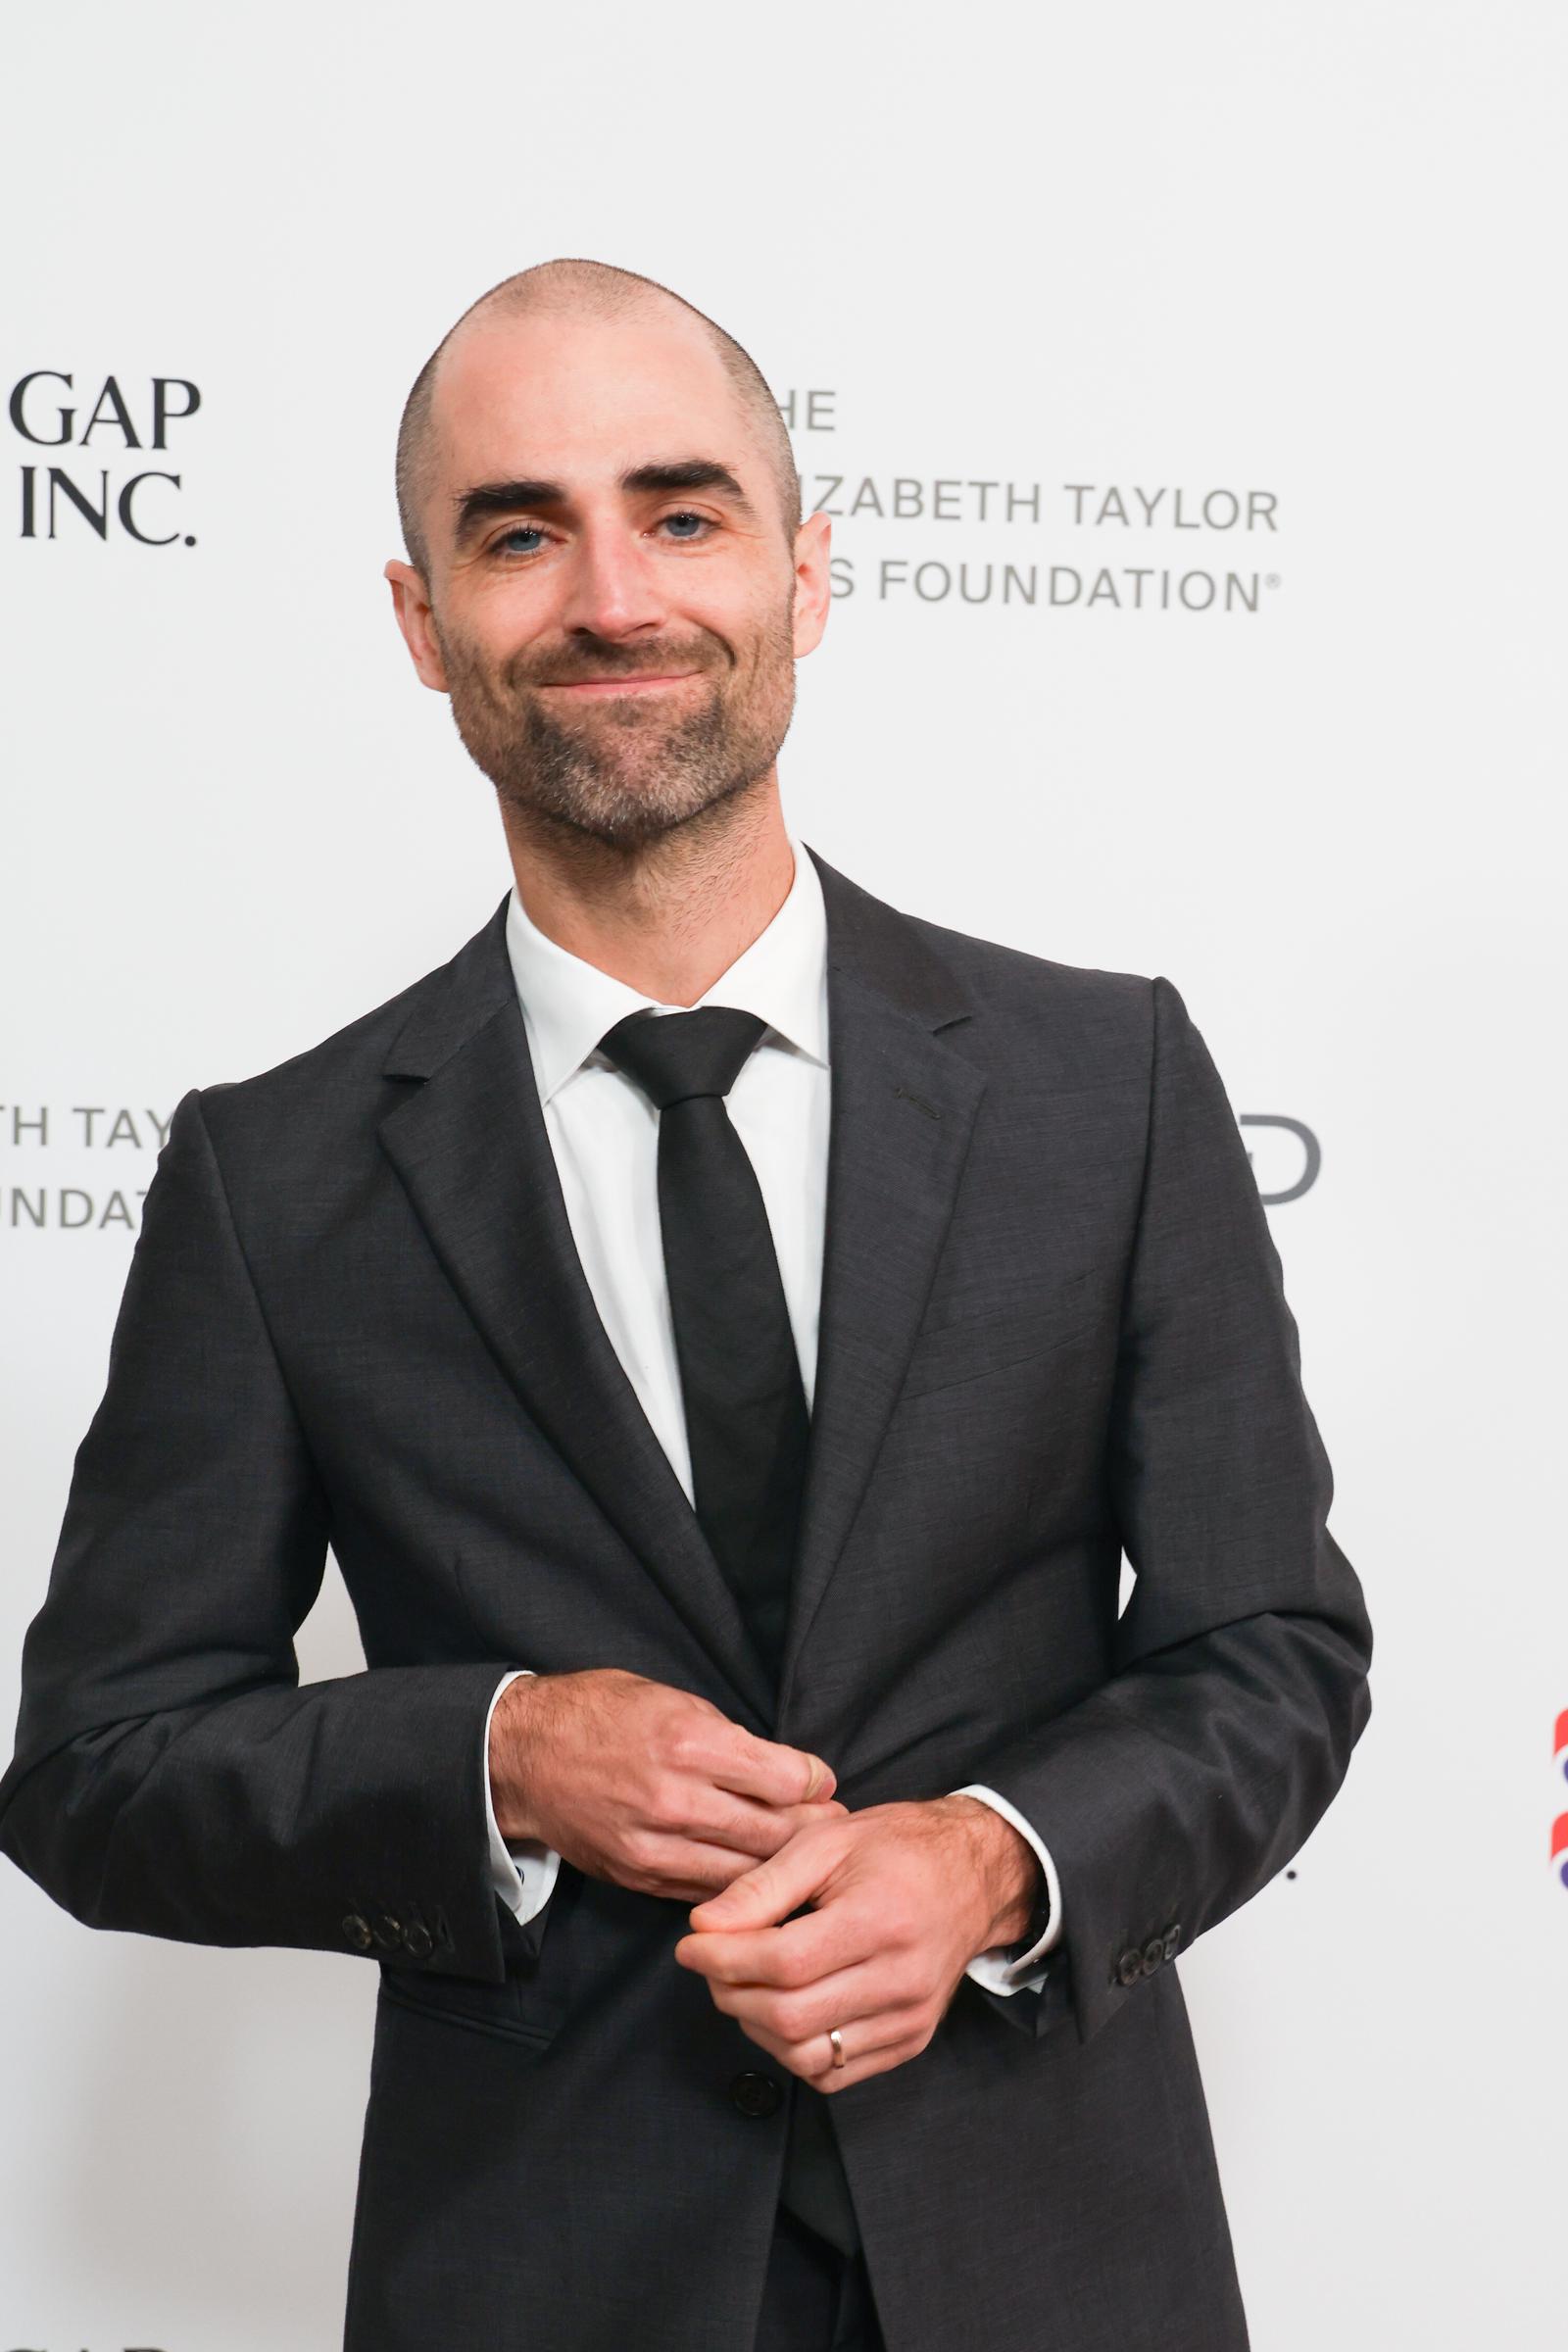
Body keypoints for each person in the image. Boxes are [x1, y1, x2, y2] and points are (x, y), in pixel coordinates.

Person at [0, 258, 1373, 2352]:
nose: (611, 596)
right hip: (539, 2278)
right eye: (517, 529)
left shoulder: (1110, 1086)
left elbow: (1264, 1648)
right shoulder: (269, 1178)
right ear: (420, 621)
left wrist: (992, 1865)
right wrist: (496, 1760)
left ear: (805, 574)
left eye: (682, 511)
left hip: (1052, 2264)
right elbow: (98, 1765)